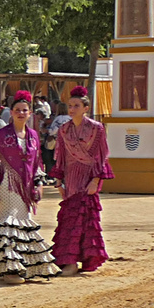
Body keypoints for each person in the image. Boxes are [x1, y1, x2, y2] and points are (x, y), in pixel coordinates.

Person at [0, 92, 58, 284]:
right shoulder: (1, 135)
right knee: (10, 220)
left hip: (27, 184)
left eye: (24, 110)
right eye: (17, 110)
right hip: (7, 183)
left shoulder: (33, 136)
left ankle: (25, 265)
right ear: (11, 113)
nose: (21, 113)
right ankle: (9, 269)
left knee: (24, 219)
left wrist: (39, 183)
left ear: (30, 113)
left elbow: (37, 162)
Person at [51, 86, 112, 275]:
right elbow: (60, 157)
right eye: (70, 106)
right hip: (70, 180)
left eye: (76, 105)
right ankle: (68, 261)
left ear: (86, 107)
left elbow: (101, 157)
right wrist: (58, 182)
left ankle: (81, 261)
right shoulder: (64, 129)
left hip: (87, 180)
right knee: (70, 220)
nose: (72, 109)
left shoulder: (96, 128)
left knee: (85, 220)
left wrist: (95, 180)